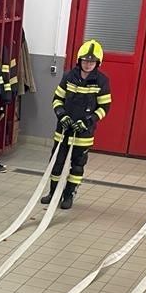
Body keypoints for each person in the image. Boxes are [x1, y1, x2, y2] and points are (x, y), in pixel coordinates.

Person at [40, 39, 111, 210]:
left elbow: (104, 107)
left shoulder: (102, 81)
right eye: (85, 61)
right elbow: (57, 99)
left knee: (77, 166)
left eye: (92, 62)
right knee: (56, 163)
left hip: (84, 134)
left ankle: (69, 195)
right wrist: (61, 115)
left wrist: (88, 121)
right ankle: (53, 193)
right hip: (63, 130)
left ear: (98, 63)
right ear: (79, 60)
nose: (88, 64)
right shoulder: (68, 76)